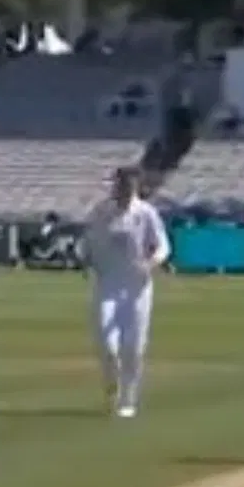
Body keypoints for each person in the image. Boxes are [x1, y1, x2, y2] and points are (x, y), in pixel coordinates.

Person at [82, 166, 170, 418]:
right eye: (118, 184)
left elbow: (163, 245)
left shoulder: (146, 213)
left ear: (135, 185)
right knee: (106, 342)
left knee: (134, 346)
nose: (121, 189)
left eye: (127, 184)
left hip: (137, 288)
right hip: (107, 284)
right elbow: (89, 241)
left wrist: (152, 262)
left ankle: (128, 398)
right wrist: (87, 260)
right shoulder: (101, 211)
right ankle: (111, 380)